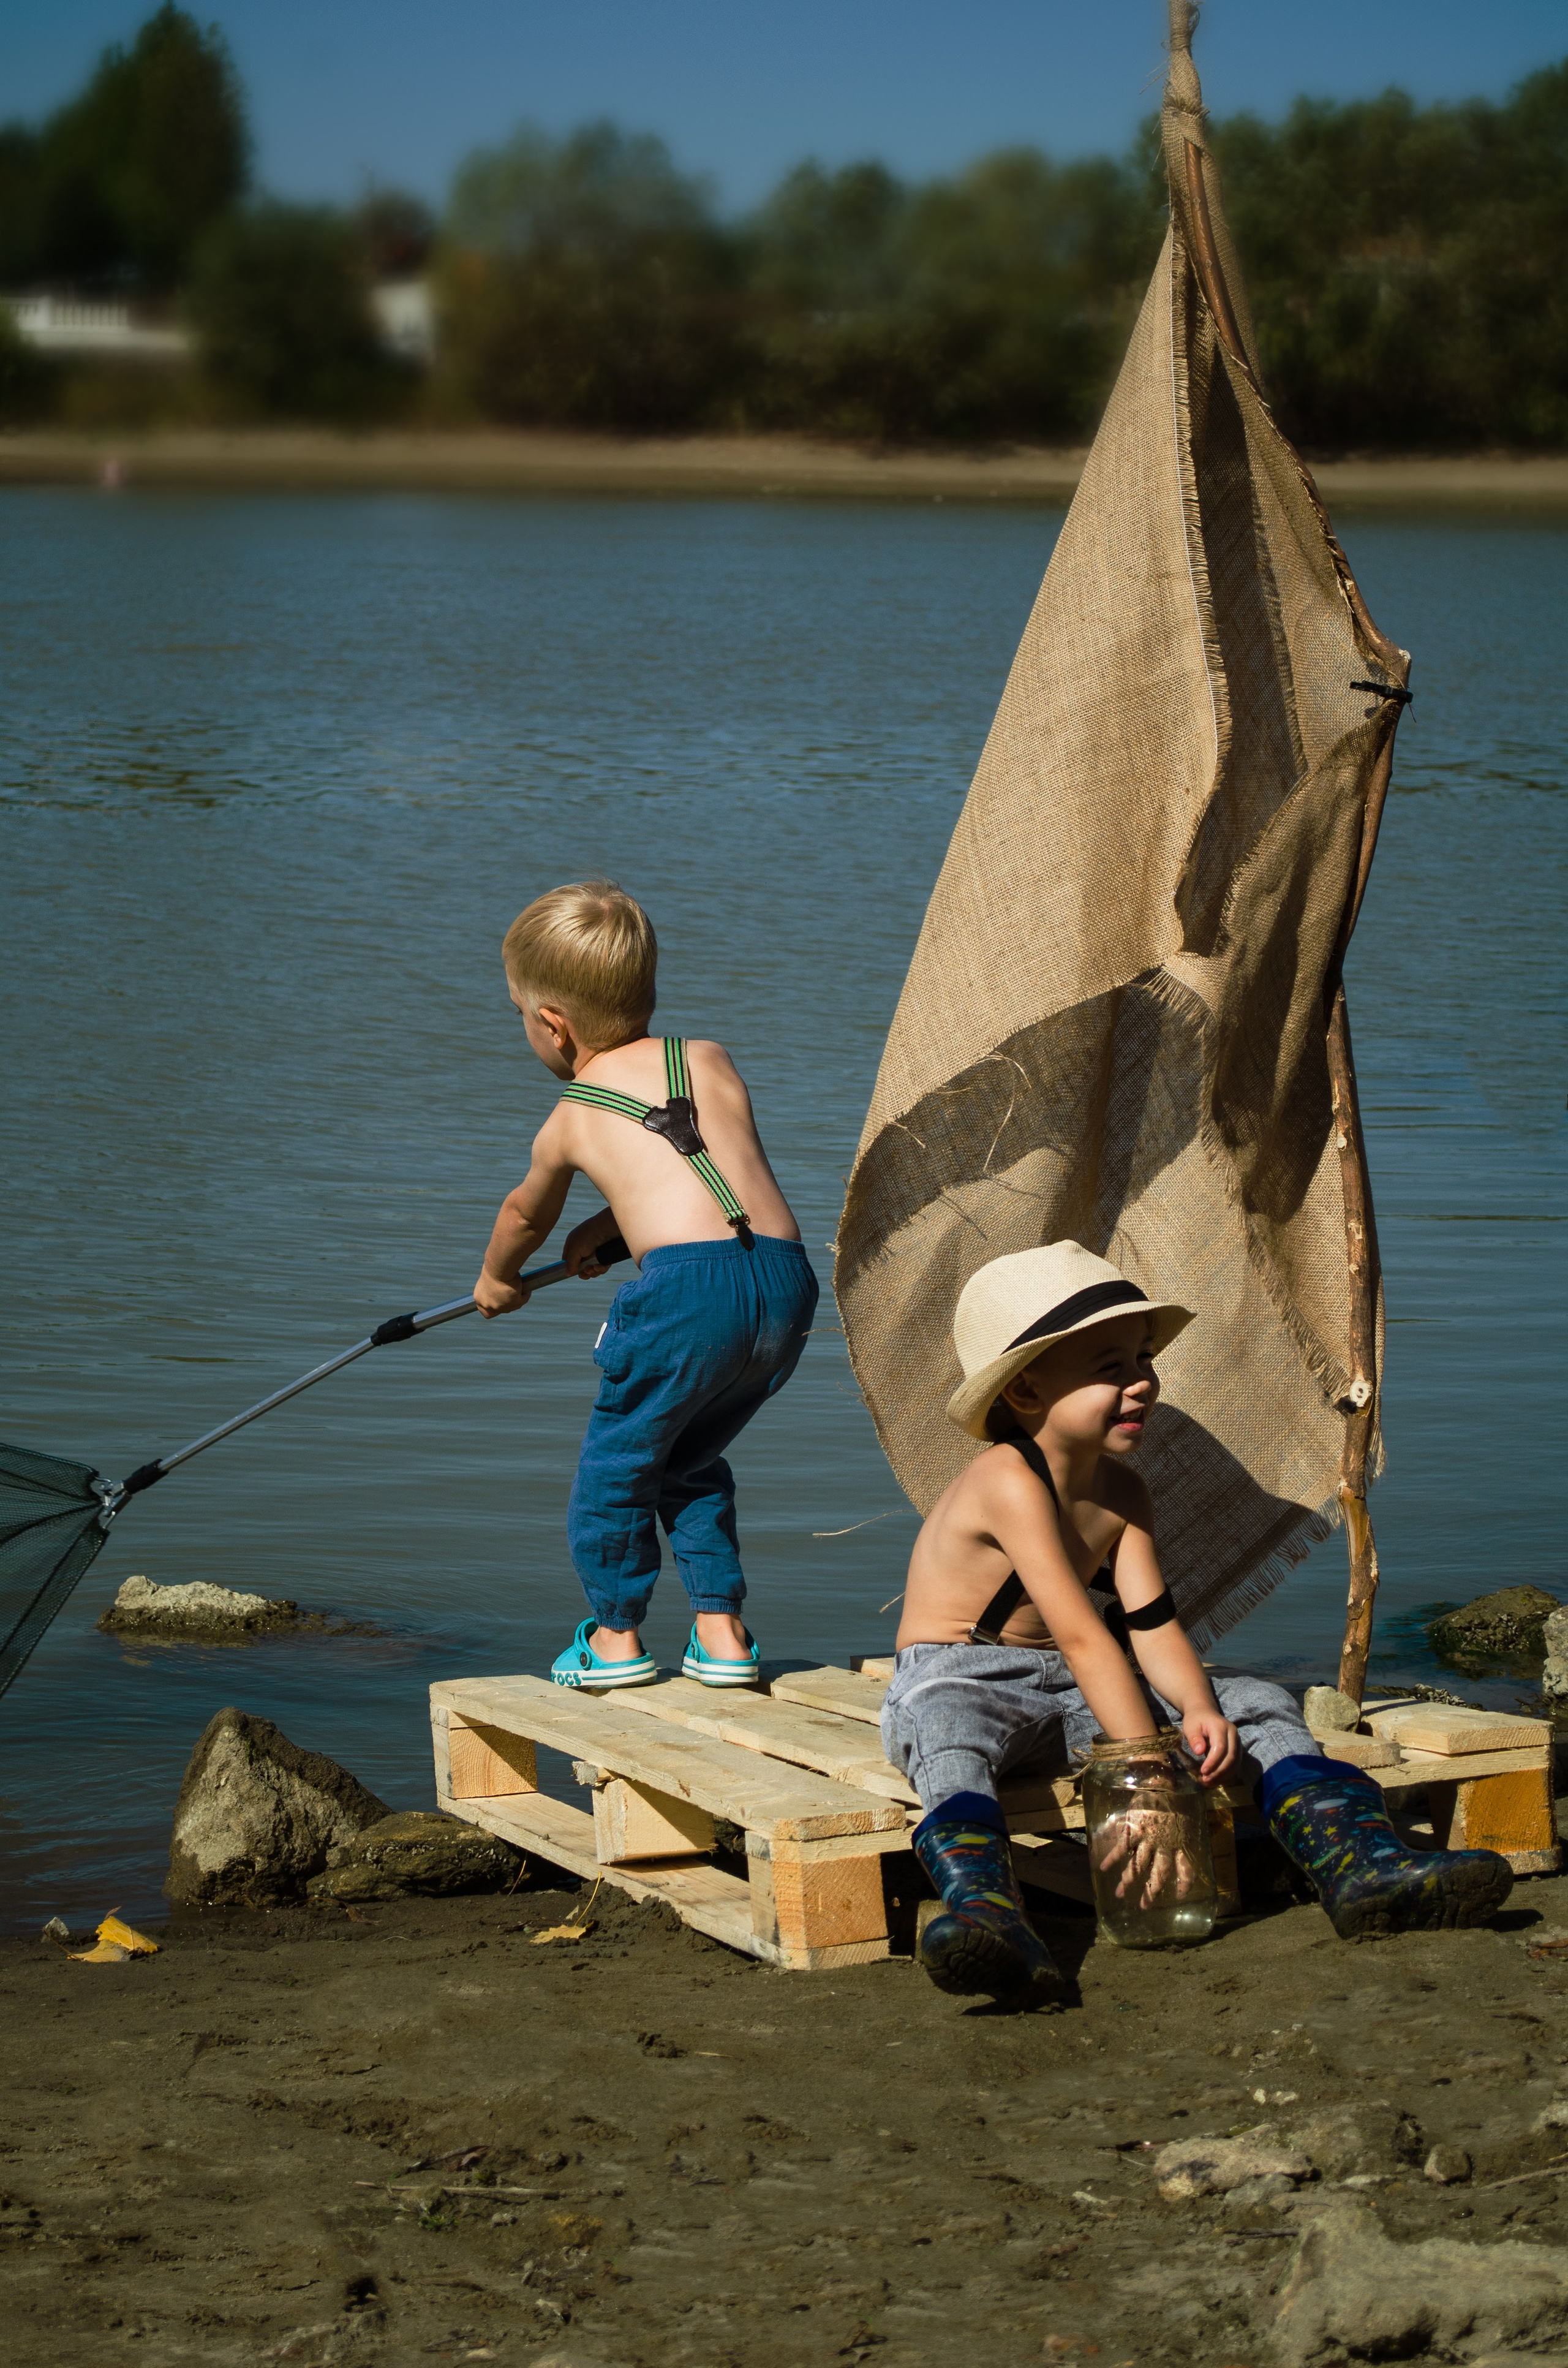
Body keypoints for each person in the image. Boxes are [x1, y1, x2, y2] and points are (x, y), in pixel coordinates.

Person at [881, 1241, 1514, 2003]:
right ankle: (986, 1913)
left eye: (1142, 1359)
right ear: (1023, 1393)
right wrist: (1145, 1766)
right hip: (962, 1670)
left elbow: (1147, 1627)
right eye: (1109, 1368)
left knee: (1257, 1699)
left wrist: (1201, 1709)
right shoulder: (1005, 1480)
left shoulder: (1123, 1492)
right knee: (947, 1734)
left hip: (1076, 1680)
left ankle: (1357, 1864)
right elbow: (1084, 1635)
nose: (1141, 1382)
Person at [474, 879, 816, 1690]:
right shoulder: (706, 1058)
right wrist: (611, 1229)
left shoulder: (570, 1118)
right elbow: (702, 1168)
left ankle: (617, 1639)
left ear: (553, 1025)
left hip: (684, 1299)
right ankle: (722, 1634)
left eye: (522, 1014)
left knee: (618, 1467)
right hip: (784, 1283)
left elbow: (523, 1213)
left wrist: (498, 1278)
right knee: (691, 1456)